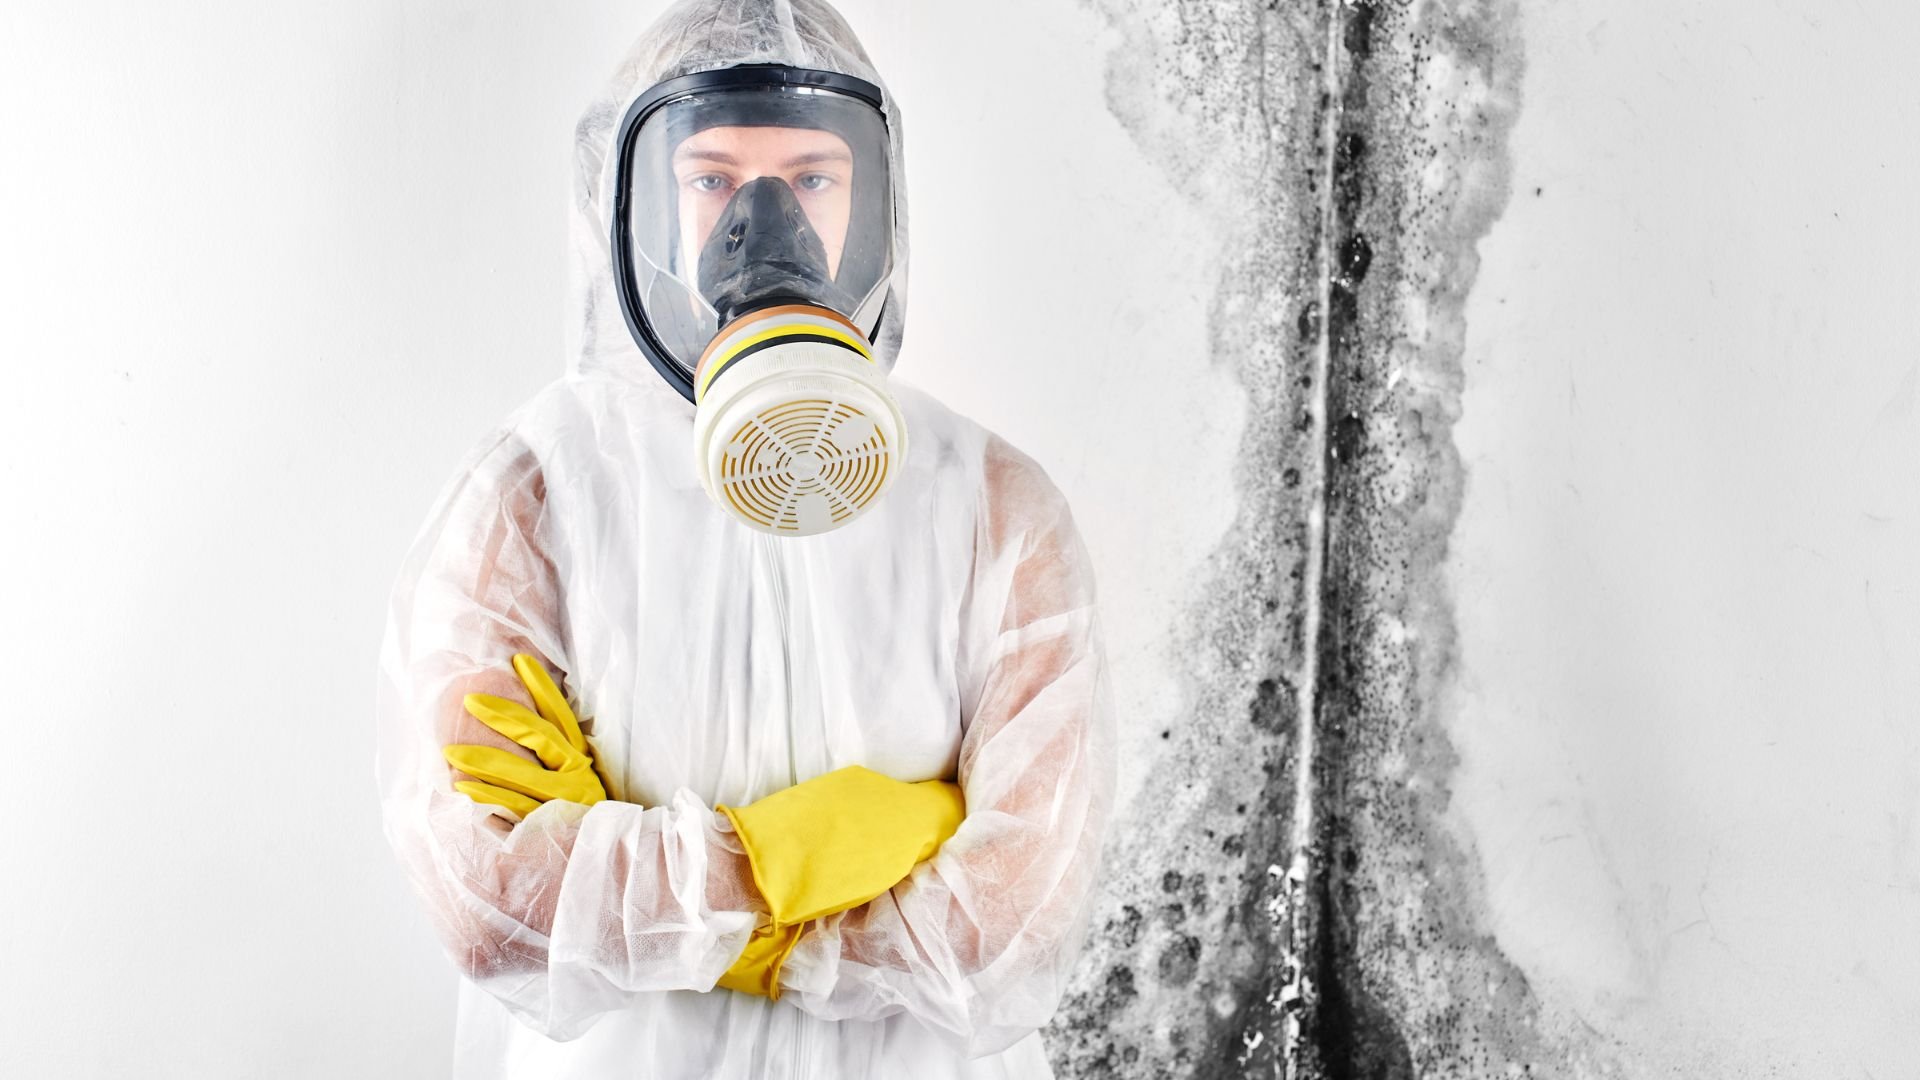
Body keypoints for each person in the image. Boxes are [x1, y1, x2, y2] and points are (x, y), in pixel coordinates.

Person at [374, 1, 1119, 1076]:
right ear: (633, 201)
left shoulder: (993, 507)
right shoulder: (533, 495)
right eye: (711, 178)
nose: (764, 229)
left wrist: (634, 890)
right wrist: (786, 863)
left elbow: (1014, 927)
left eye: (812, 179)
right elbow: (493, 906)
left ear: (874, 202)